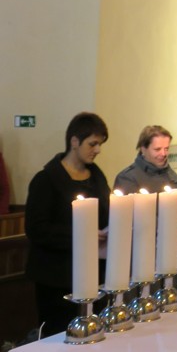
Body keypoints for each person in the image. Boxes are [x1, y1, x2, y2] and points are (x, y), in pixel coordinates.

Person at [25, 112, 110, 336]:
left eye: (100, 144)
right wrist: (82, 235)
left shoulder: (97, 177)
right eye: (92, 144)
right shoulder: (46, 180)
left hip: (94, 273)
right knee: (60, 336)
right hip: (57, 277)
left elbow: (106, 214)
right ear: (74, 141)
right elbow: (36, 228)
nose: (98, 150)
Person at [114, 125, 177, 234]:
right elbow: (136, 217)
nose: (163, 154)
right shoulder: (128, 178)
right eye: (157, 149)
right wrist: (174, 228)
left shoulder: (170, 174)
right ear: (143, 149)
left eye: (166, 149)